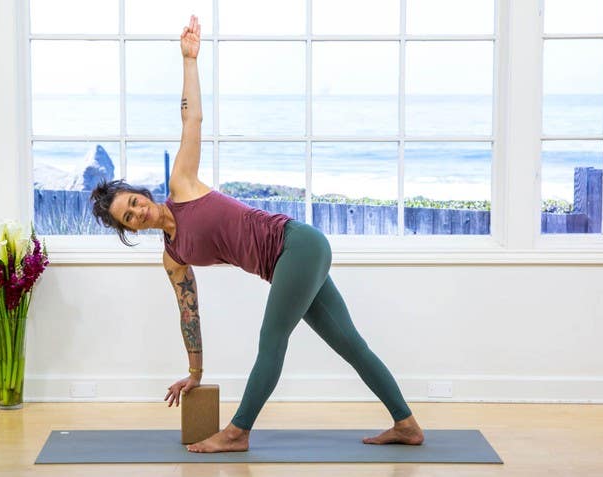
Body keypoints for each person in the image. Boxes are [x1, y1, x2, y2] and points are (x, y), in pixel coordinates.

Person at [89, 15, 424, 453]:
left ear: (141, 193)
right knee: (349, 343)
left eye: (133, 201)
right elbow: (189, 314)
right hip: (292, 260)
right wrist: (195, 373)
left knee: (271, 340)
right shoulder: (173, 257)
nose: (137, 212)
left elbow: (193, 121)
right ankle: (406, 424)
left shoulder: (182, 185)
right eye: (129, 218)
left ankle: (237, 432)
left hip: (296, 245)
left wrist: (189, 60)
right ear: (128, 229)